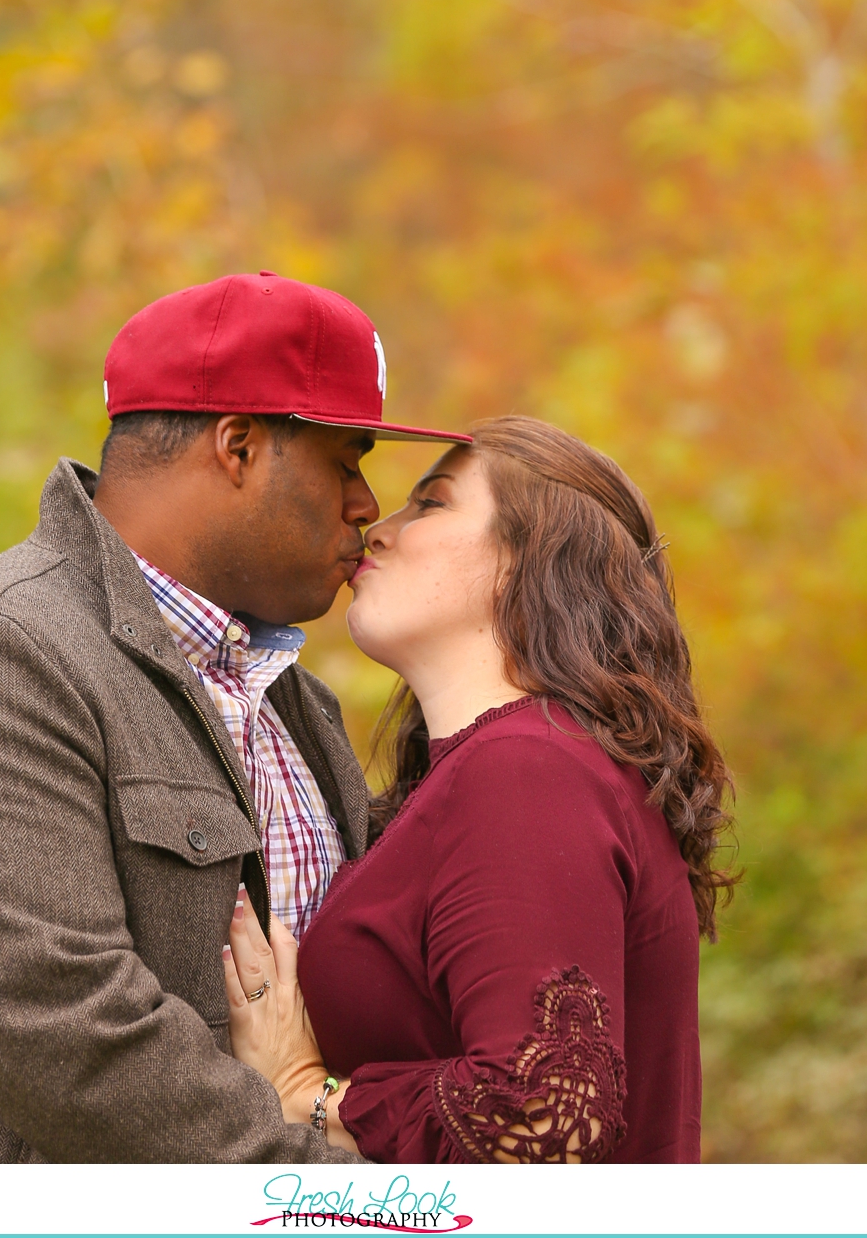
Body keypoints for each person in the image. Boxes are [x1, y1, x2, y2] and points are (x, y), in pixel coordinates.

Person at [0, 271, 470, 1164]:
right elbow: (66, 1039)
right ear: (240, 446)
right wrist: (346, 1197)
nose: (368, 504)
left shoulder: (297, 703)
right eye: (347, 461)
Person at [222, 416, 736, 1164]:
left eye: (429, 503)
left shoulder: (528, 771)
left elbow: (543, 1116)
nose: (378, 527)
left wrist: (309, 1093)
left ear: (533, 557)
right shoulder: (522, 765)